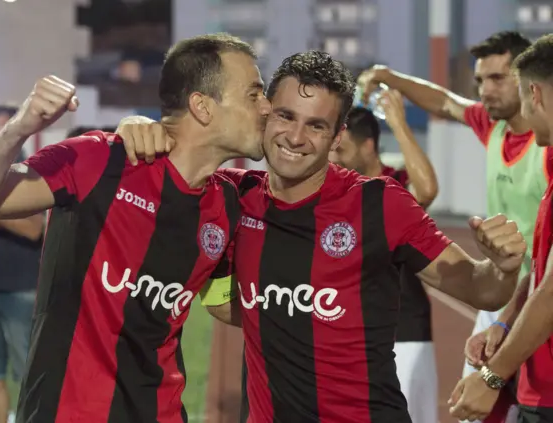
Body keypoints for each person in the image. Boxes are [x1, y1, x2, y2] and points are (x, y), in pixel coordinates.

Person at [116, 50, 526, 422]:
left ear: (337, 135)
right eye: (286, 116)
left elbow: (481, 290)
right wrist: (135, 126)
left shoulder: (380, 204)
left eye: (316, 125)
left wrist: (504, 269)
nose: (295, 138)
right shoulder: (233, 197)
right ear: (264, 113)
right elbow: (228, 302)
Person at [0, 33, 270, 423]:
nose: (267, 107)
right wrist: (20, 127)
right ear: (202, 106)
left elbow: (220, 300)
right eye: (254, 94)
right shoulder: (102, 160)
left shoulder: (229, 201)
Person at [358, 31, 550, 423]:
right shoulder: (494, 128)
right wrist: (389, 76)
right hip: (508, 295)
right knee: (478, 412)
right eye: (480, 81)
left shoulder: (544, 148)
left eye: (497, 79)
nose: (485, 90)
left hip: (536, 298)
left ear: (532, 89)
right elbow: (445, 102)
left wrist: (495, 372)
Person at [448, 33, 553, 423]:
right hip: (533, 371)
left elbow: (552, 292)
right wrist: (504, 321)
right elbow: (541, 273)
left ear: (534, 94)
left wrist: (491, 377)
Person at [328, 97, 439, 423]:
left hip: (403, 332)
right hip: (351, 336)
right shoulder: (338, 190)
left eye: (343, 150)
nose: (335, 159)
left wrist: (398, 121)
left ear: (368, 146)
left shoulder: (396, 186)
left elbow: (428, 190)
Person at [0, 104, 44, 423]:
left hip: (21, 290)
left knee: (27, 379)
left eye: (1, 131)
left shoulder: (30, 172)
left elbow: (35, 229)